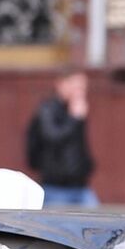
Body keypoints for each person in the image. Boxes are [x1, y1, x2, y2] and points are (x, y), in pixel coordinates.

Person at [26, 70, 98, 208]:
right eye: (77, 88)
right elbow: (52, 137)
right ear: (62, 85)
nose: (80, 93)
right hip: (56, 186)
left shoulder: (75, 111)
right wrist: (74, 119)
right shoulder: (48, 109)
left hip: (80, 184)